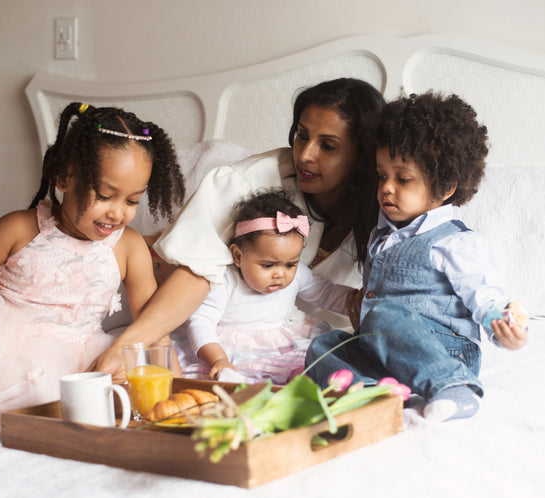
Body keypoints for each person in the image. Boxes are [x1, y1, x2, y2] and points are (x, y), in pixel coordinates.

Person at [0, 103, 185, 424]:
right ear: (64, 177)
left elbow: (155, 328)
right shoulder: (18, 228)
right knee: (28, 406)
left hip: (77, 358)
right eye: (104, 195)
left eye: (131, 201)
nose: (117, 213)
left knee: (113, 398)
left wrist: (181, 389)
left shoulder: (130, 247)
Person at [89, 78, 386, 379]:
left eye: (328, 146)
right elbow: (196, 273)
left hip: (290, 335)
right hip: (158, 296)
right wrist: (130, 344)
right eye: (301, 135)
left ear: (362, 156)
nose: (305, 155)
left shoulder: (387, 203)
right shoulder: (248, 183)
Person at [304, 91, 529, 422]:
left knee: (383, 317)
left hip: (442, 352)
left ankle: (457, 387)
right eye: (382, 176)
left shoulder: (454, 243)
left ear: (444, 186)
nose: (386, 188)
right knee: (324, 343)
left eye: (403, 178)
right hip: (383, 350)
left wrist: (502, 327)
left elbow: (484, 295)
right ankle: (369, 391)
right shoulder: (382, 236)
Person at [174, 188, 357, 385]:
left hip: (287, 343)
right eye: (268, 265)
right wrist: (219, 359)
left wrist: (360, 302)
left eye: (291, 264)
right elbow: (201, 322)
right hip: (236, 351)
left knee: (315, 363)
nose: (280, 273)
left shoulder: (297, 275)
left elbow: (325, 293)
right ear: (238, 256)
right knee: (233, 380)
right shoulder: (225, 281)